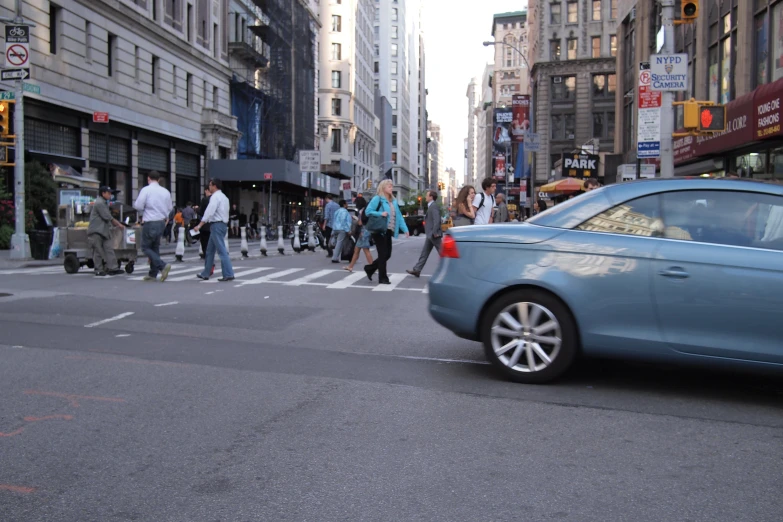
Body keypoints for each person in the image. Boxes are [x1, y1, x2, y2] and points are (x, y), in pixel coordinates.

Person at [363, 179, 409, 285]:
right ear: (383, 188)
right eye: (389, 186)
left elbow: (399, 217)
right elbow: (368, 211)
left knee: (387, 254)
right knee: (383, 254)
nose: (391, 188)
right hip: (379, 230)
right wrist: (380, 214)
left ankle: (370, 268)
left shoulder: (393, 201)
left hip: (388, 230)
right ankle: (383, 278)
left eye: (392, 186)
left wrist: (405, 229)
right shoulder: (377, 199)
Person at [193, 178, 235, 282]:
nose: (209, 187)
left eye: (210, 185)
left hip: (216, 225)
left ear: (215, 186)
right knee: (210, 250)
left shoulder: (215, 197)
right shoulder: (224, 197)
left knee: (221, 251)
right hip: (221, 224)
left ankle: (229, 273)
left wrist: (200, 225)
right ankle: (206, 273)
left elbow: (209, 212)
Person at [133, 170, 173, 282]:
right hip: (161, 222)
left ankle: (162, 266)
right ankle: (153, 273)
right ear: (159, 179)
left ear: (148, 178)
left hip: (150, 221)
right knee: (155, 247)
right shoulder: (165, 191)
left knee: (145, 247)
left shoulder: (146, 190)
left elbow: (138, 206)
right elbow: (170, 208)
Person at [87, 186, 125, 276]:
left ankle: (113, 268)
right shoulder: (99, 203)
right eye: (108, 193)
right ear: (103, 193)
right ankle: (98, 269)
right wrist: (119, 224)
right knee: (98, 251)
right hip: (96, 230)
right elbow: (107, 217)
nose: (110, 195)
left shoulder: (104, 202)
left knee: (109, 249)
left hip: (104, 230)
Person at [406, 190, 442, 278]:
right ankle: (417, 270)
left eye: (427, 195)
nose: (425, 197)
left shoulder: (434, 206)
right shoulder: (431, 206)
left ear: (431, 197)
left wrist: (434, 232)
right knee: (424, 253)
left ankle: (452, 269)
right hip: (430, 235)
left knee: (443, 253)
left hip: (434, 234)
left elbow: (437, 220)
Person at [345, 196, 374, 273]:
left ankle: (373, 266)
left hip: (363, 232)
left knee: (365, 250)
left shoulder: (361, 211)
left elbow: (360, 223)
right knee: (356, 250)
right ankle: (350, 266)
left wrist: (356, 219)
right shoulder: (366, 210)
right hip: (366, 231)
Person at [330, 199, 352, 264]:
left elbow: (333, 220)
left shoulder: (337, 211)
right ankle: (335, 258)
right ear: (344, 204)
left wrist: (332, 231)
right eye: (347, 204)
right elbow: (344, 222)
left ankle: (336, 257)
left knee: (336, 243)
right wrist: (348, 230)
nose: (347, 205)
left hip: (335, 228)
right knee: (339, 243)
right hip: (341, 229)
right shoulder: (345, 212)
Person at [198, 187, 211, 258]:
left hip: (205, 225)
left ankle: (207, 258)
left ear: (206, 190)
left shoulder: (205, 199)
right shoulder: (215, 199)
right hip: (213, 225)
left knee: (204, 243)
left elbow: (201, 212)